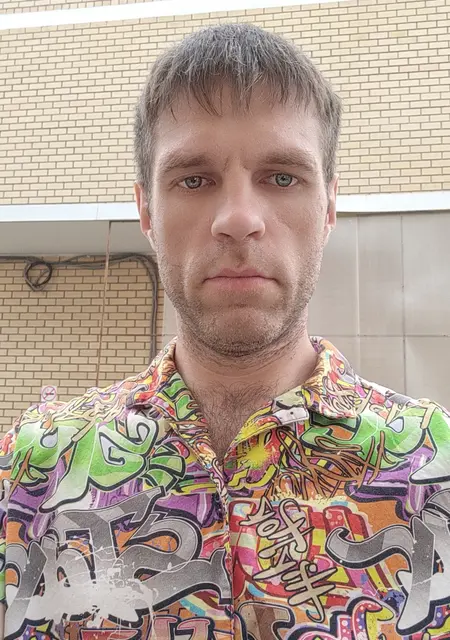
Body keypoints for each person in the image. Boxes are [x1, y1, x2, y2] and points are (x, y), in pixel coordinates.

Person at [1, 22, 450, 640]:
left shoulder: (436, 466)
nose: (238, 219)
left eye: (282, 176)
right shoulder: (31, 471)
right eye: (194, 179)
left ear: (328, 207)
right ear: (146, 210)